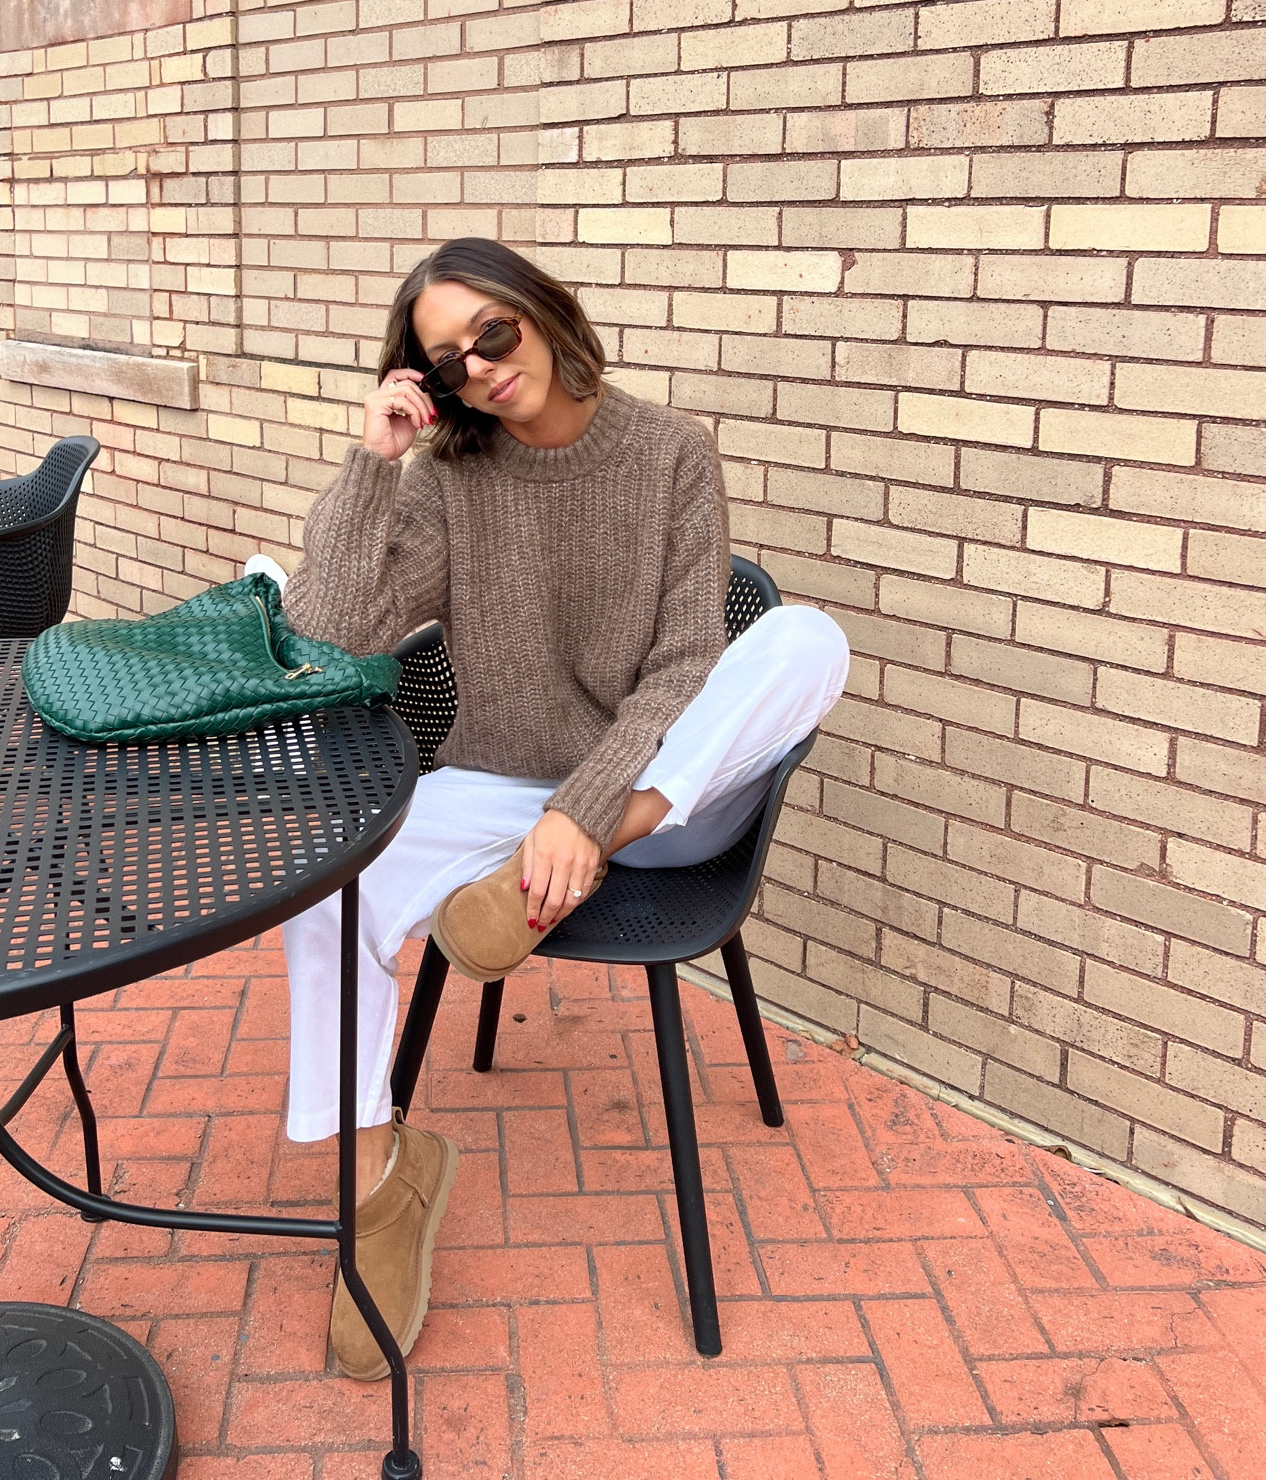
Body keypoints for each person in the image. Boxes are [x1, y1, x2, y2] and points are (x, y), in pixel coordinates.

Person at [273, 238, 849, 1380]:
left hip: (660, 793)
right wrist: (374, 462)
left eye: (494, 331)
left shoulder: (672, 453)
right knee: (327, 883)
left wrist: (587, 814)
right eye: (446, 362)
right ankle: (382, 1185)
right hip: (503, 785)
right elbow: (331, 635)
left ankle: (568, 860)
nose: (481, 367)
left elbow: (689, 661)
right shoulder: (447, 472)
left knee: (805, 638)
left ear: (544, 313)